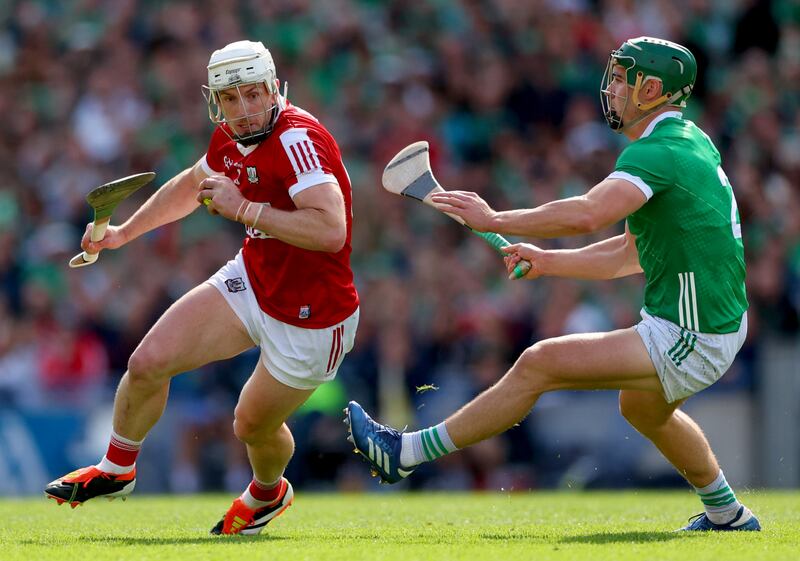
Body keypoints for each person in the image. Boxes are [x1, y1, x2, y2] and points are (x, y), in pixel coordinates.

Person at [345, 37, 760, 532]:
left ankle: (405, 453)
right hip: (705, 321)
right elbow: (626, 255)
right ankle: (728, 514)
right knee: (643, 410)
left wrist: (496, 217)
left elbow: (588, 214)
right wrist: (547, 261)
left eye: (621, 80)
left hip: (694, 331)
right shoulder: (687, 139)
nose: (611, 89)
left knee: (540, 362)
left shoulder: (658, 154)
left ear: (651, 90)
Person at [45, 40, 360, 535]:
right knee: (147, 363)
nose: (243, 109)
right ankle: (116, 469)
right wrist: (124, 232)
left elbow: (330, 230)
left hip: (314, 316)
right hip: (253, 280)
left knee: (250, 426)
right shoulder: (230, 136)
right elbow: (194, 184)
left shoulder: (298, 140)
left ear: (273, 89)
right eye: (230, 98)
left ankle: (267, 493)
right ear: (216, 100)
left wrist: (245, 209)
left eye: (252, 94)